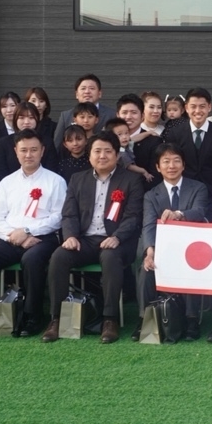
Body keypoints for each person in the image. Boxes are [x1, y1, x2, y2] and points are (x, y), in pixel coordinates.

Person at [42, 131, 144, 344]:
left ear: (117, 155)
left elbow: (133, 216)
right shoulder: (78, 179)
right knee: (59, 256)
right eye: (97, 151)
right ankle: (57, 319)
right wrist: (70, 236)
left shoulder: (131, 180)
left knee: (110, 256)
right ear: (89, 155)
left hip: (117, 240)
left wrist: (117, 236)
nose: (102, 156)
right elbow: (69, 214)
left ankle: (110, 319)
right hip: (85, 240)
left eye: (108, 151)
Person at [0, 129, 68, 338]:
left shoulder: (56, 181)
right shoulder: (7, 182)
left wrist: (28, 231)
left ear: (42, 151)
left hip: (42, 238)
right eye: (24, 150)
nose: (28, 155)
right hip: (10, 238)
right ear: (16, 151)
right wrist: (13, 235)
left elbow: (58, 217)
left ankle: (33, 316)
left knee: (32, 260)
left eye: (33, 150)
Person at [140, 143, 211, 341]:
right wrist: (150, 252)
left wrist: (178, 214)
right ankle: (146, 320)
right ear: (158, 167)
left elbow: (199, 212)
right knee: (146, 270)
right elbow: (148, 225)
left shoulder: (198, 188)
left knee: (190, 267)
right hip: (162, 249)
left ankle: (191, 320)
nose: (171, 166)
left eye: (176, 161)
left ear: (183, 165)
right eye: (166, 161)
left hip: (192, 247)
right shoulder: (151, 195)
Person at [167, 87, 212, 218]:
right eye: (193, 106)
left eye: (202, 106)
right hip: (183, 193)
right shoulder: (175, 133)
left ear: (209, 107)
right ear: (186, 108)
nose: (198, 111)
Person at [0, 101, 58, 188]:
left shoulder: (47, 142)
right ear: (15, 119)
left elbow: (52, 168)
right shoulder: (4, 142)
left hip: (42, 188)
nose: (26, 122)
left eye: (31, 117)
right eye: (21, 118)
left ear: (37, 119)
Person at [51, 74, 115, 148]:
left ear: (99, 93)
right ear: (76, 94)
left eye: (92, 88)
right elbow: (57, 144)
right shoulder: (65, 116)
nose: (87, 92)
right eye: (83, 88)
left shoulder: (111, 115)